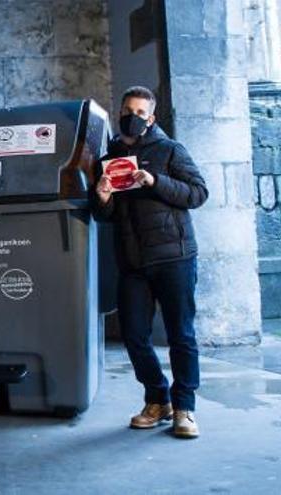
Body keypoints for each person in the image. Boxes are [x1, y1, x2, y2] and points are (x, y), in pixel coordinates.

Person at [92, 86, 208, 438]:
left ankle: (184, 408)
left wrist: (156, 181)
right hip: (133, 263)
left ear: (151, 118)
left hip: (175, 257)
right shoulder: (108, 158)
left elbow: (198, 193)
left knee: (181, 336)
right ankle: (157, 399)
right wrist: (102, 198)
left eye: (140, 112)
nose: (133, 116)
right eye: (128, 110)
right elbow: (105, 215)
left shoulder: (170, 150)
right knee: (134, 336)